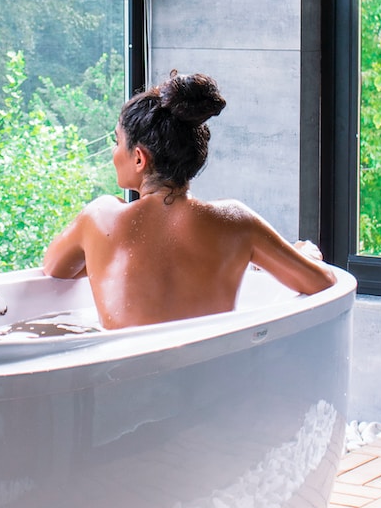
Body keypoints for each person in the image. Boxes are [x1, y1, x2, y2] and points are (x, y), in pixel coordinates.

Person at [42, 71, 336, 329]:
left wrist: (103, 257)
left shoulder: (100, 218)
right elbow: (323, 282)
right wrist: (306, 255)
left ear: (139, 158)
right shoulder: (235, 222)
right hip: (213, 384)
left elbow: (54, 268)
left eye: (116, 142)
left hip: (122, 387)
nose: (113, 153)